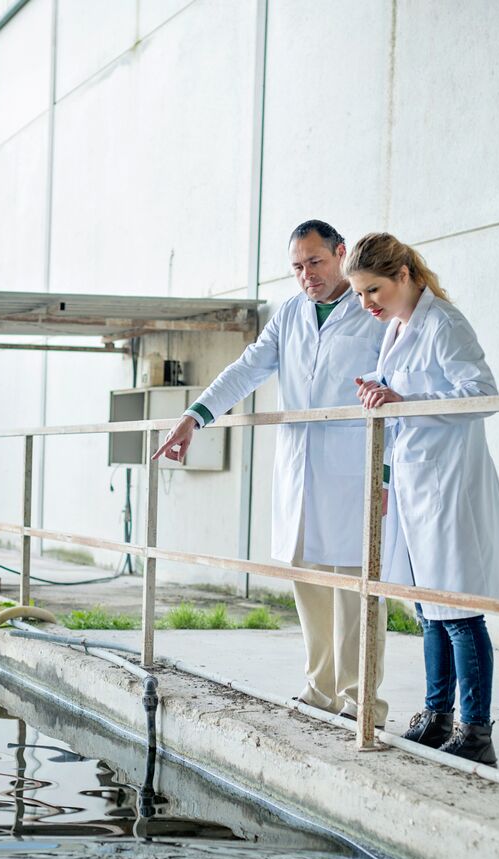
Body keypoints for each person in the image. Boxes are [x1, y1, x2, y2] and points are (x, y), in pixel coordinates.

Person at [153, 220, 389, 721]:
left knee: (357, 588)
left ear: (341, 253)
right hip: (302, 471)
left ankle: (361, 701)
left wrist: (387, 474)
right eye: (297, 267)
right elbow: (247, 369)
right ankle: (320, 688)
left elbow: (395, 392)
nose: (307, 275)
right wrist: (195, 417)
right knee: (308, 582)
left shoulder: (372, 312)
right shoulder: (290, 314)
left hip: (354, 469)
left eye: (315, 262)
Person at [346, 232, 499, 764]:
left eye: (373, 290)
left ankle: (476, 732)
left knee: (459, 612)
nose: (366, 303)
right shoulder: (397, 328)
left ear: (402, 275)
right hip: (416, 486)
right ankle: (437, 716)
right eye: (359, 294)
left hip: (449, 486)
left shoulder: (444, 323)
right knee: (428, 610)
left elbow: (482, 395)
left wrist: (404, 398)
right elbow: (401, 404)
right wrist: (379, 392)